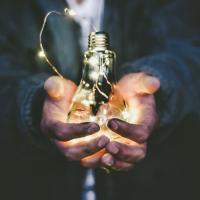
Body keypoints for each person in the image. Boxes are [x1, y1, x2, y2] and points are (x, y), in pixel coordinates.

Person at [0, 0, 200, 200]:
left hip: (151, 186)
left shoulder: (162, 5)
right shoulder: (12, 8)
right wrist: (35, 106)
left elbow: (189, 52)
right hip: (37, 186)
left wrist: (157, 87)